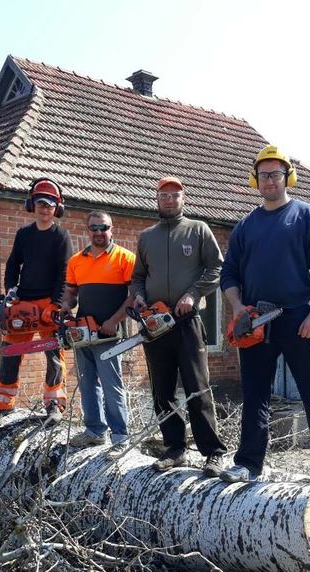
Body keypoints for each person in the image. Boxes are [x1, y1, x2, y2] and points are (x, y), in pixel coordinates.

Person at [218, 145, 310, 483]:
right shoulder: (246, 225)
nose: (270, 181)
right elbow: (229, 274)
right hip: (255, 320)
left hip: (296, 316)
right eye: (264, 175)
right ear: (255, 180)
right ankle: (248, 463)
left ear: (287, 177)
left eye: (276, 174)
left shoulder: (308, 216)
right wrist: (238, 310)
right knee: (255, 394)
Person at [129, 177, 227, 475]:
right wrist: (140, 298)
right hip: (156, 324)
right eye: (164, 195)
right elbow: (138, 277)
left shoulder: (198, 229)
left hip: (187, 321)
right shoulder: (147, 237)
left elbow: (217, 267)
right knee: (162, 389)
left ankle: (213, 451)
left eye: (174, 195)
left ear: (184, 198)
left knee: (197, 387)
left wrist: (193, 293)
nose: (169, 200)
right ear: (156, 199)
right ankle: (175, 448)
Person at [0, 178, 74, 426]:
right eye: (41, 204)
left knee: (54, 354)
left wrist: (56, 305)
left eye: (50, 205)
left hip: (48, 304)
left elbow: (64, 273)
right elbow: (13, 265)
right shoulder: (24, 234)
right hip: (23, 302)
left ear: (57, 208)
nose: (45, 209)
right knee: (11, 352)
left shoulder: (61, 236)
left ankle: (54, 404)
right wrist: (11, 291)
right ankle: (2, 404)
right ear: (32, 205)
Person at [60, 211, 135, 447]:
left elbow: (134, 296)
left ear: (112, 229)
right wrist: (64, 306)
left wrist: (114, 320)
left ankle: (120, 436)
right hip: (83, 332)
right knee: (87, 382)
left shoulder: (125, 258)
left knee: (112, 385)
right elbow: (71, 293)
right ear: (88, 230)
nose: (99, 233)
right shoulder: (76, 261)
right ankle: (94, 431)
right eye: (94, 228)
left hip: (110, 334)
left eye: (103, 228)